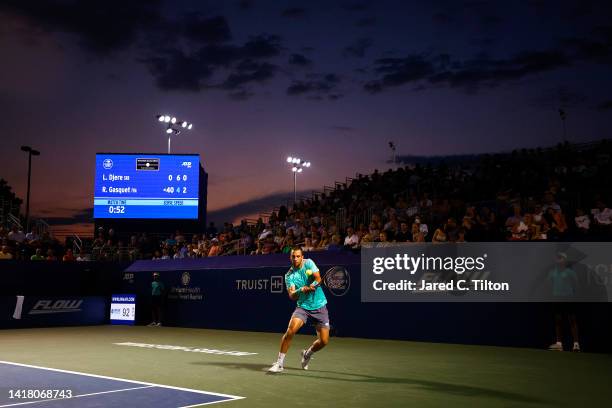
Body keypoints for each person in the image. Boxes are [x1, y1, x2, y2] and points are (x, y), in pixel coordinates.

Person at [268, 248, 330, 373]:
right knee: (290, 331)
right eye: (293, 256)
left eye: (297, 256)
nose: (295, 259)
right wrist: (301, 290)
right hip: (303, 307)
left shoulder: (309, 263)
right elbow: (292, 295)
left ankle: (307, 354)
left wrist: (313, 285)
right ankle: (279, 364)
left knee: (324, 341)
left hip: (319, 306)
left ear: (302, 257)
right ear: (290, 258)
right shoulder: (289, 275)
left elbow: (318, 278)